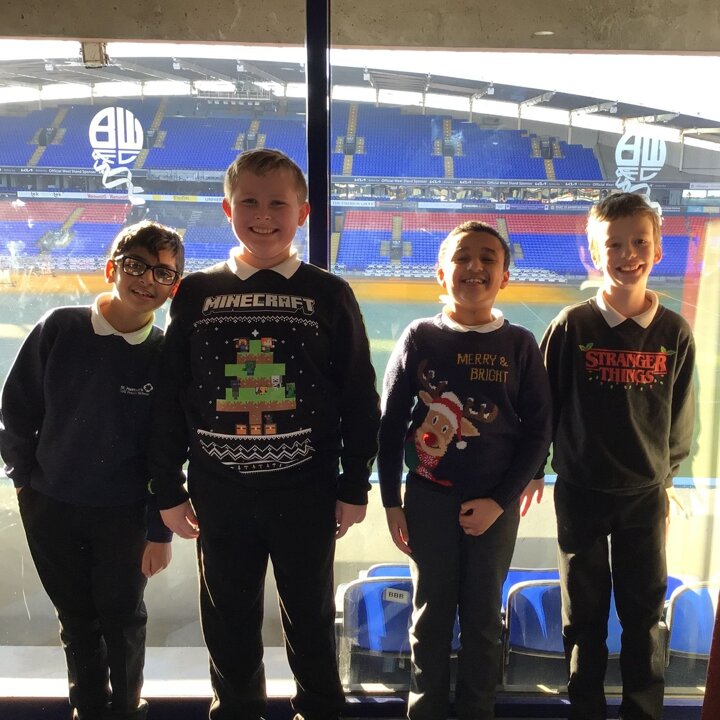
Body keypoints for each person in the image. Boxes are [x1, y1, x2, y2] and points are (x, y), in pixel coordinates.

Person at [149, 148, 380, 720]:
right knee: (227, 621)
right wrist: (168, 490)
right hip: (219, 491)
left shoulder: (329, 293)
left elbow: (358, 395)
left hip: (306, 490)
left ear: (303, 212)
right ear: (228, 209)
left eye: (278, 203)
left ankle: (320, 709)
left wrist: (355, 484)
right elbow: (170, 397)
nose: (263, 215)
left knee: (310, 617)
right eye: (249, 201)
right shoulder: (196, 293)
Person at [0, 220, 184, 720]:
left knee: (123, 620)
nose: (146, 280)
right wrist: (26, 484)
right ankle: (88, 709)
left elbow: (166, 450)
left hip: (125, 515)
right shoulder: (60, 328)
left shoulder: (165, 355)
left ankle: (125, 710)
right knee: (77, 621)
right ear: (111, 269)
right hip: (51, 507)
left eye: (163, 273)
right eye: (135, 266)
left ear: (174, 288)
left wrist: (158, 531)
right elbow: (16, 409)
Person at [378, 220, 552, 720]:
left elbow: (539, 432)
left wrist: (500, 500)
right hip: (427, 499)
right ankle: (425, 709)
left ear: (505, 277)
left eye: (487, 259)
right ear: (440, 273)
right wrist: (391, 502)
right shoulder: (419, 337)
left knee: (482, 620)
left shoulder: (520, 344)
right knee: (430, 616)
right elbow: (390, 425)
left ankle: (478, 711)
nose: (474, 267)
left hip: (496, 506)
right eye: (461, 257)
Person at [539, 192, 696, 720]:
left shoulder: (674, 332)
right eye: (614, 244)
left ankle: (642, 711)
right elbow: (544, 407)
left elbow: (680, 416)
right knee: (582, 618)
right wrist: (534, 470)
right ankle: (584, 708)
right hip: (580, 493)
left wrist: (665, 477)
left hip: (644, 498)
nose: (628, 254)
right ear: (593, 253)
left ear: (657, 250)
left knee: (642, 616)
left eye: (639, 242)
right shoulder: (571, 326)